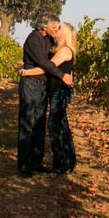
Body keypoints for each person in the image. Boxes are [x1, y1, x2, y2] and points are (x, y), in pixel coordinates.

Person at [16, 14, 72, 177]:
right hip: (31, 84)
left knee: (39, 125)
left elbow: (56, 58)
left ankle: (36, 163)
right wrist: (62, 75)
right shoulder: (33, 39)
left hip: (42, 87)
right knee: (27, 124)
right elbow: (44, 63)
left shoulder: (48, 39)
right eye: (54, 27)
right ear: (44, 27)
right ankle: (24, 167)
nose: (56, 29)